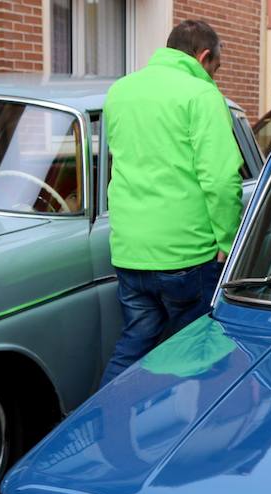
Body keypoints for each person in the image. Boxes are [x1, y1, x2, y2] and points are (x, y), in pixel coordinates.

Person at [98, 20, 241, 388]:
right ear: (204, 57)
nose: (214, 77)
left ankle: (106, 418)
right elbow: (221, 179)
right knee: (196, 356)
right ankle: (188, 423)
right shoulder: (201, 95)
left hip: (130, 251)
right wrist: (228, 242)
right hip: (186, 254)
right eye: (215, 68)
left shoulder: (120, 91)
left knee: (133, 345)